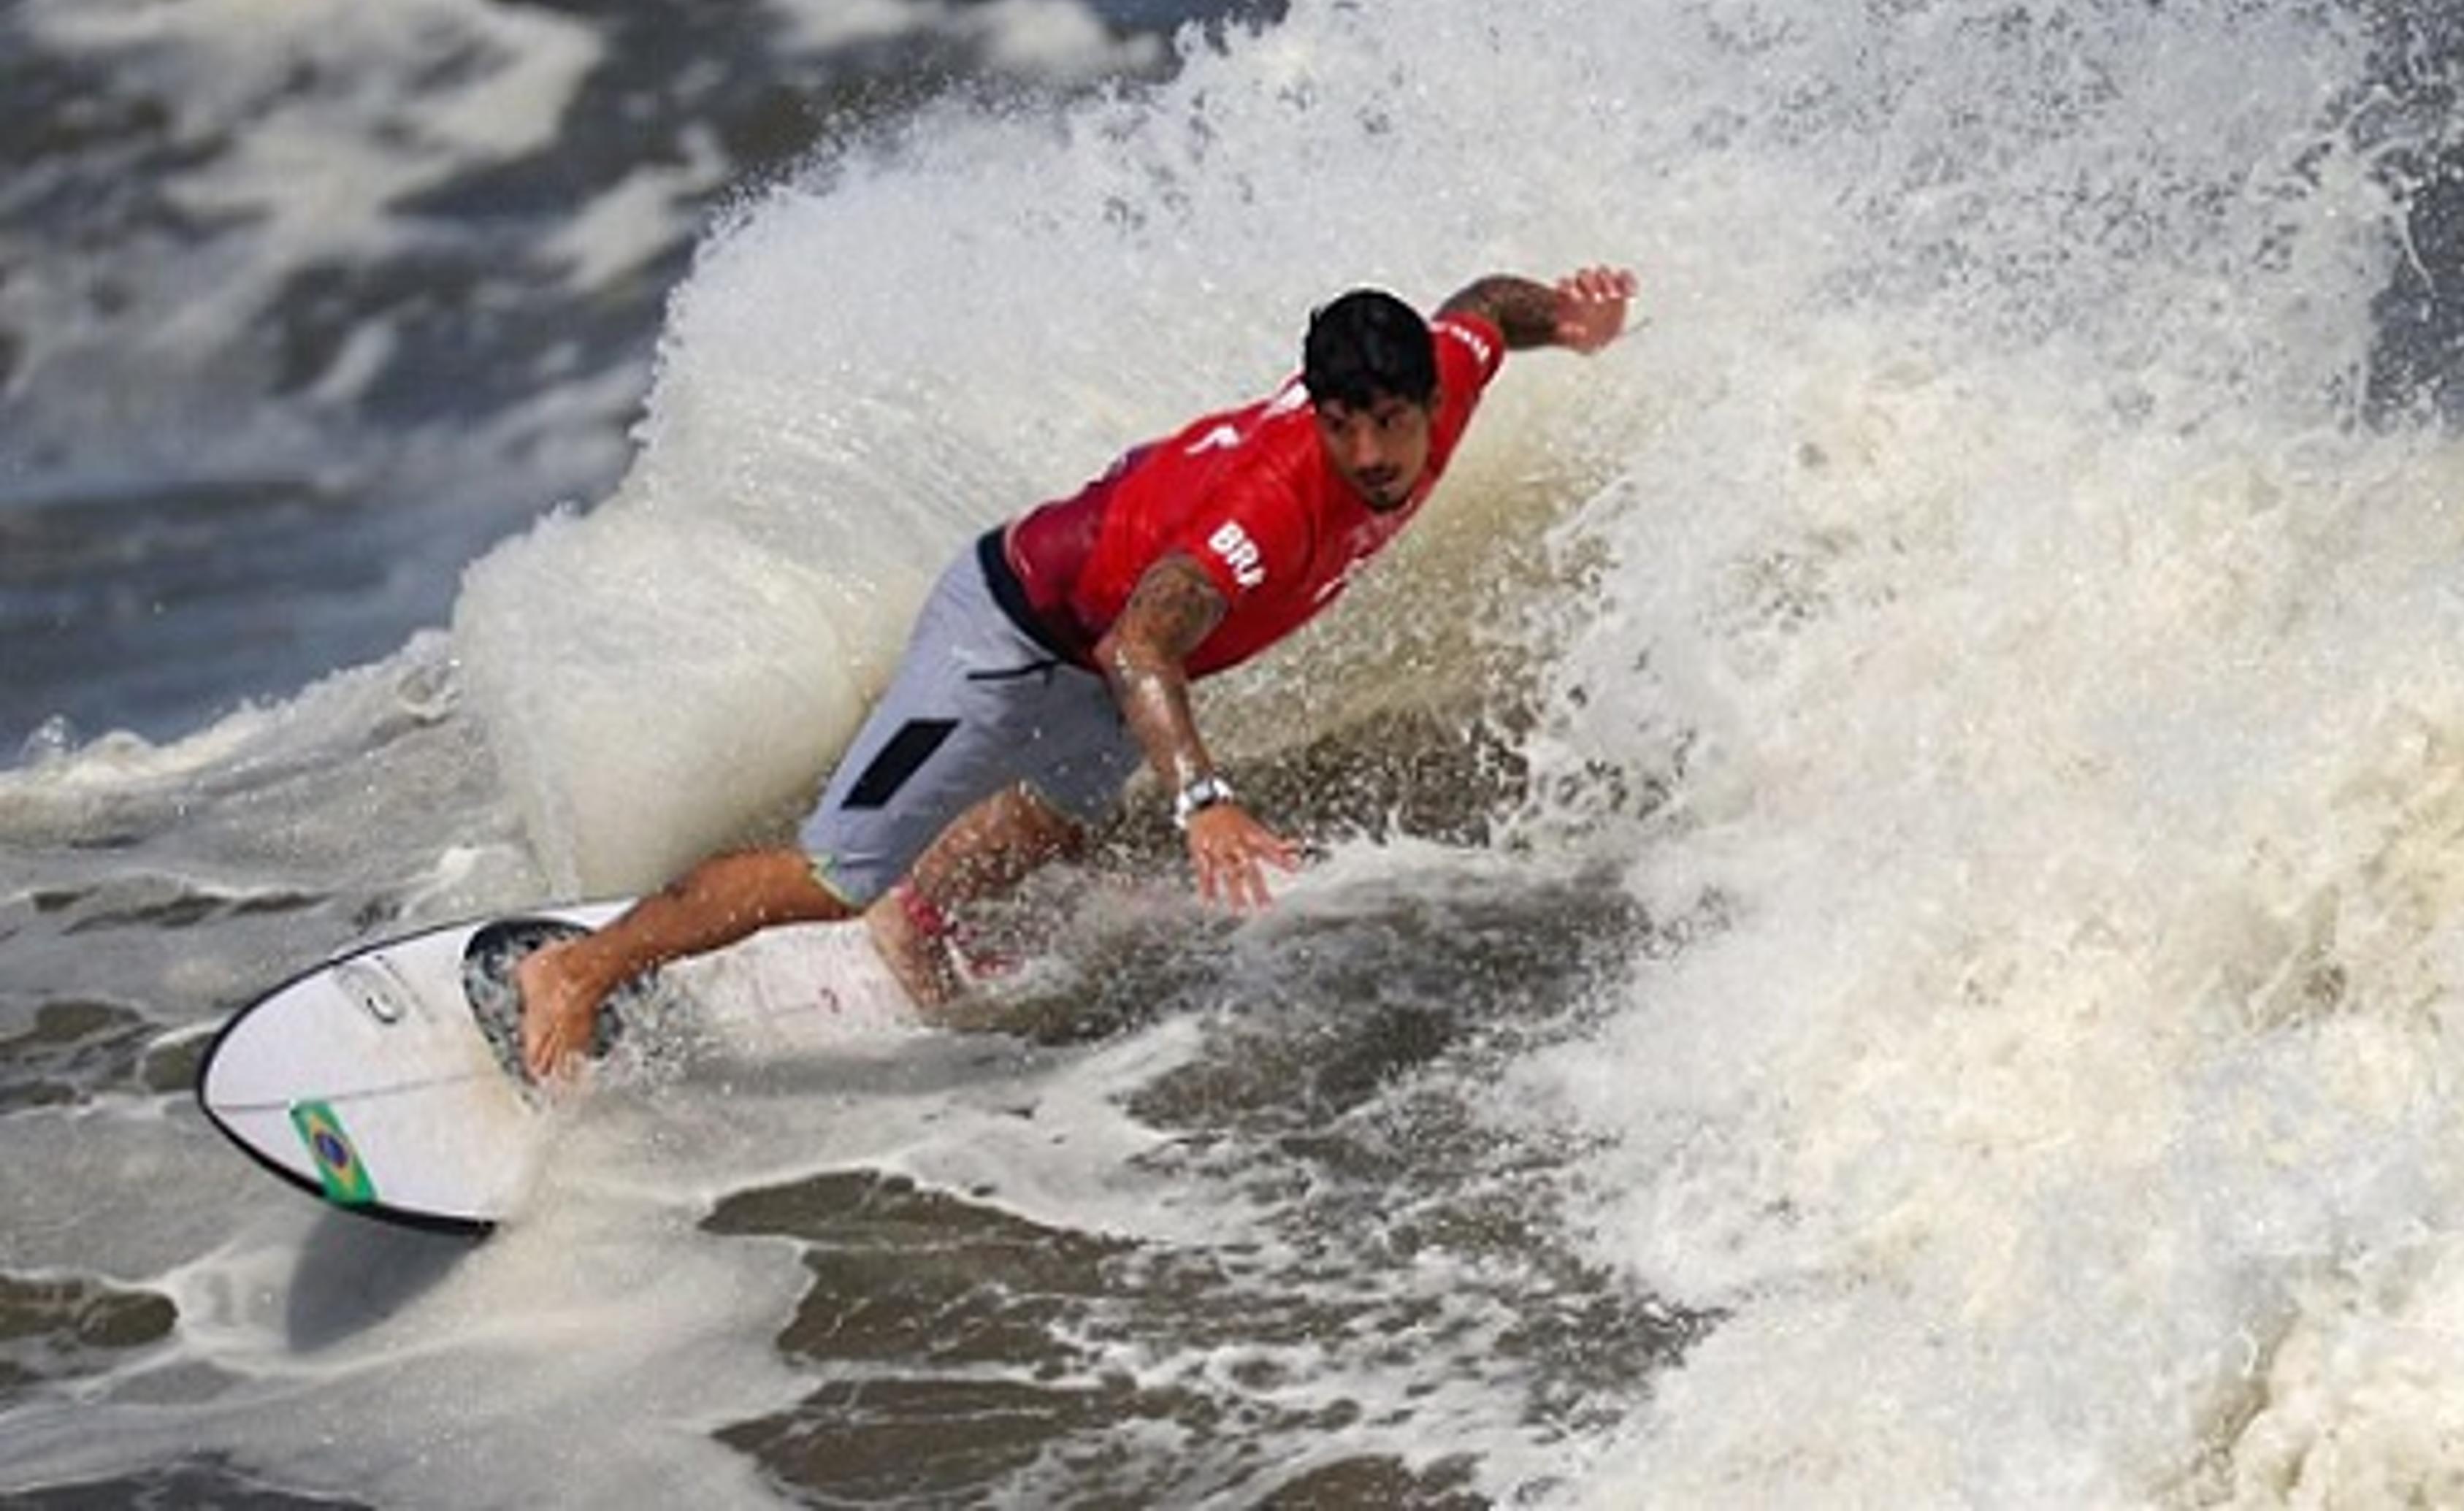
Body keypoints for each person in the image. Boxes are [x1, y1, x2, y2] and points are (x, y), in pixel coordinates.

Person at [516, 267, 1640, 1079]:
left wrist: (1566, 319)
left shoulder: (1450, 368)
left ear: (1432, 401)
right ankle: (584, 967)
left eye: (1389, 425)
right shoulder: (1267, 510)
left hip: (1097, 645)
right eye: (1343, 426)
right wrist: (1205, 801)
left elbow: (1486, 307)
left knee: (1052, 824)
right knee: (832, 872)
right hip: (1010, 635)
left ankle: (916, 927)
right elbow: (1140, 647)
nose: (1368, 456)